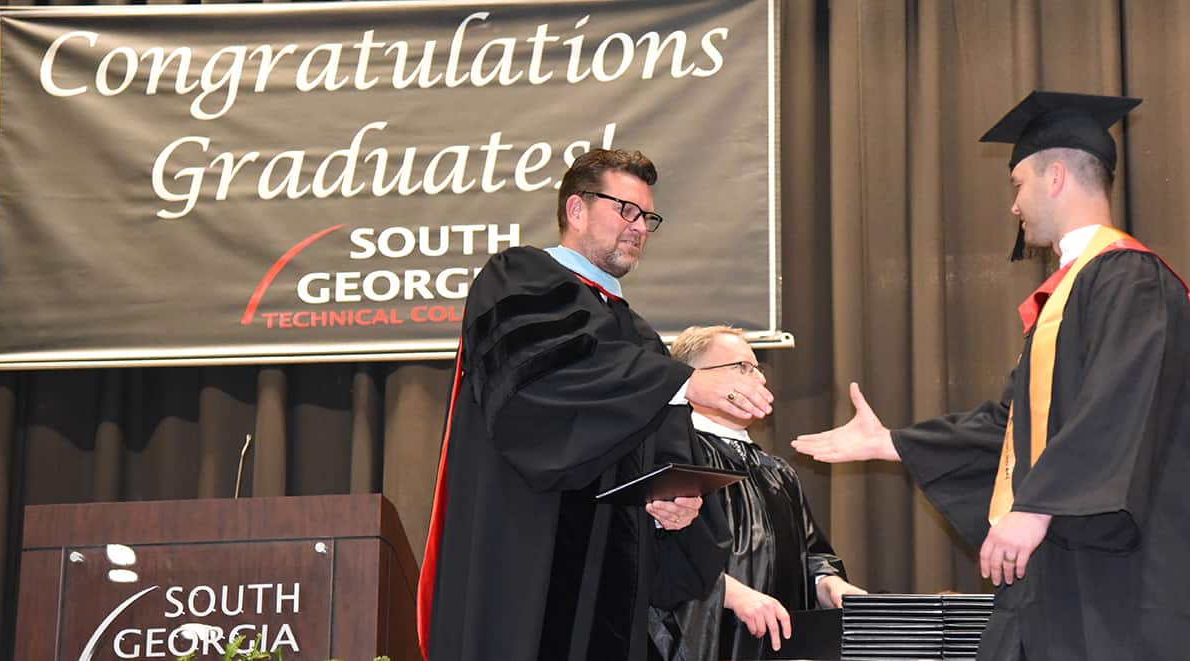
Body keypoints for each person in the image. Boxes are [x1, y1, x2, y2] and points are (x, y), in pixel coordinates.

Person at [792, 91, 1190, 661]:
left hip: (1119, 581)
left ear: (1055, 176)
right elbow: (1013, 426)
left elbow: (1121, 403)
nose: (1014, 206)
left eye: (1017, 184)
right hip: (1059, 576)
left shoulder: (1131, 278)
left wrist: (1035, 505)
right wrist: (891, 443)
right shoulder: (1073, 291)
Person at [416, 148, 776, 661]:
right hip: (524, 559)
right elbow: (538, 388)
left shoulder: (638, 338)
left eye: (647, 216)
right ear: (576, 210)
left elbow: (656, 459)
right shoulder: (519, 278)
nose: (639, 227)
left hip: (607, 587)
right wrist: (683, 382)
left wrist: (673, 507)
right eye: (624, 209)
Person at [650, 325, 866, 661]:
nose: (760, 380)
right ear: (695, 378)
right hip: (702, 645)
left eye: (757, 370)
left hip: (778, 646)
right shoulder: (670, 458)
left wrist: (829, 585)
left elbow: (810, 554)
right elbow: (655, 556)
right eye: (741, 368)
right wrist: (728, 593)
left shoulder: (777, 470)